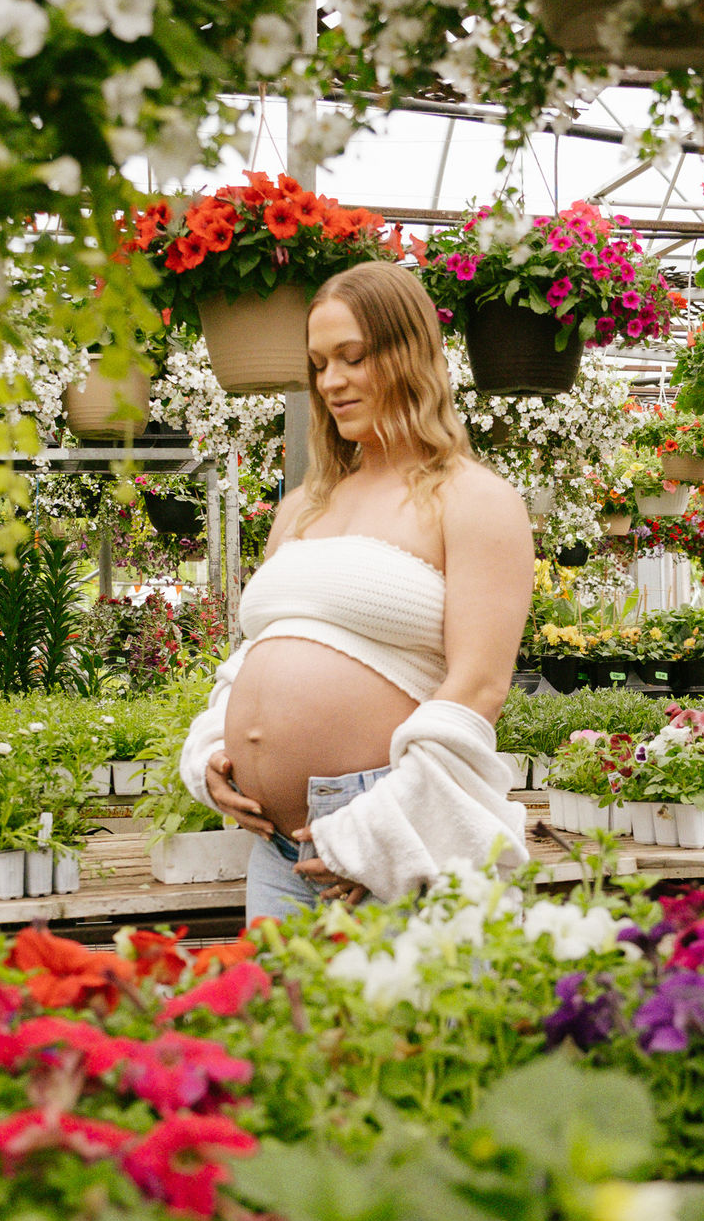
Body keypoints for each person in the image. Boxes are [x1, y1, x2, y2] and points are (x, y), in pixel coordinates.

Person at [181, 260, 534, 922]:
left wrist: (377, 833)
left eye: (353, 357)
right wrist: (210, 748)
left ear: (410, 357)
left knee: (400, 1025)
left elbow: (478, 688)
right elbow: (256, 652)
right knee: (275, 1023)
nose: (331, 382)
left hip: (394, 829)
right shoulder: (302, 508)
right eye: (319, 363)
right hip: (275, 848)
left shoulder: (473, 499)